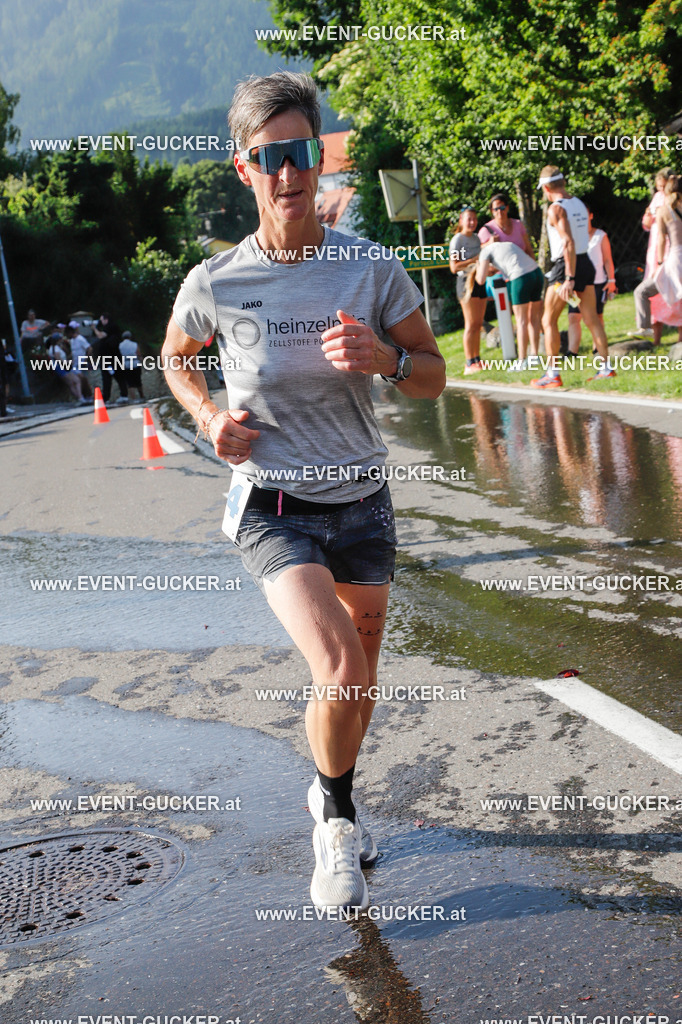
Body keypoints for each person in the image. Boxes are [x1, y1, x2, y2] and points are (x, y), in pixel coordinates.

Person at [162, 70, 445, 911]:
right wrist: (209, 416)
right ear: (243, 168)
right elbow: (178, 360)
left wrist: (387, 361)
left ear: (317, 159)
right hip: (274, 506)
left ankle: (332, 790)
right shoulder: (218, 279)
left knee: (356, 690)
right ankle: (336, 832)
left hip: (362, 505)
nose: (287, 174)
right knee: (339, 664)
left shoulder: (371, 268)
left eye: (299, 154)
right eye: (267, 158)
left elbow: (434, 376)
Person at [531, 165, 615, 389]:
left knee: (548, 320)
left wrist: (568, 278)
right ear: (563, 182)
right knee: (592, 318)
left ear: (547, 188)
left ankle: (552, 374)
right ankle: (606, 369)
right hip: (585, 261)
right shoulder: (578, 203)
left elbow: (567, 242)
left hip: (566, 266)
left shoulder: (555, 208)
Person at [475, 237, 544, 367]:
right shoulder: (506, 244)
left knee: (521, 321)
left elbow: (480, 280)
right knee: (534, 318)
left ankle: (521, 360)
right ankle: (534, 356)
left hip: (520, 277)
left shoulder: (484, 252)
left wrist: (479, 267)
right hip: (536, 273)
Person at [630, 167, 676, 343]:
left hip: (669, 250)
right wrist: (647, 218)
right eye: (658, 187)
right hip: (655, 248)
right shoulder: (657, 198)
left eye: (663, 186)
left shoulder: (674, 201)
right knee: (652, 293)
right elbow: (647, 223)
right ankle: (653, 336)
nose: (661, 190)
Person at [566, 204, 617, 354]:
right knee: (573, 316)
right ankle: (572, 351)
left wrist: (611, 280)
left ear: (590, 216)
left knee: (596, 317)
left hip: (597, 281)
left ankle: (598, 349)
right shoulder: (573, 237)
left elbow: (607, 260)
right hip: (578, 281)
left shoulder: (600, 236)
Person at [449, 205, 487, 373]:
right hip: (465, 282)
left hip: (479, 279)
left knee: (478, 323)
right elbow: (454, 267)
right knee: (470, 324)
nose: (472, 222)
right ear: (461, 220)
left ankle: (477, 359)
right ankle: (469, 361)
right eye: (468, 219)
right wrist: (474, 259)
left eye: (474, 219)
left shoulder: (477, 238)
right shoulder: (457, 239)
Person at [478, 193, 535, 258]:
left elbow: (529, 250)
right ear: (492, 211)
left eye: (502, 208)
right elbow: (476, 251)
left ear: (507, 208)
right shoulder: (486, 230)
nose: (499, 212)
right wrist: (489, 243)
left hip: (522, 265)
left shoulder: (518, 224)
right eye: (496, 209)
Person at [92, 313, 128, 404]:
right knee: (114, 377)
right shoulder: (111, 328)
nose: (100, 322)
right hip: (111, 357)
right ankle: (116, 396)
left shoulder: (111, 327)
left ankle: (111, 397)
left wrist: (94, 328)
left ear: (106, 319)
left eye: (101, 320)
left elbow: (100, 335)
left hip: (110, 357)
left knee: (111, 377)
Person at [46, 330, 87, 403]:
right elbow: (58, 359)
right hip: (62, 367)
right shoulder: (55, 349)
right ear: (58, 340)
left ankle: (79, 398)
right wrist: (69, 362)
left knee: (71, 383)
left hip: (60, 367)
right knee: (76, 380)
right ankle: (80, 397)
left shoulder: (54, 348)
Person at [66, 320, 93, 398]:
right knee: (79, 380)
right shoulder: (72, 341)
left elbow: (89, 348)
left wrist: (86, 359)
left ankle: (89, 395)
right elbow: (74, 352)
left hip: (82, 363)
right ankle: (84, 395)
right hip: (75, 363)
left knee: (84, 379)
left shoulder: (80, 339)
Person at [119, 330, 145, 402]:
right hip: (135, 363)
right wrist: (142, 362)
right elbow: (138, 354)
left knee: (130, 383)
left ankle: (133, 398)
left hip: (126, 364)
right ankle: (142, 396)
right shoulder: (134, 344)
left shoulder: (120, 345)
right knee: (138, 381)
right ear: (130, 337)